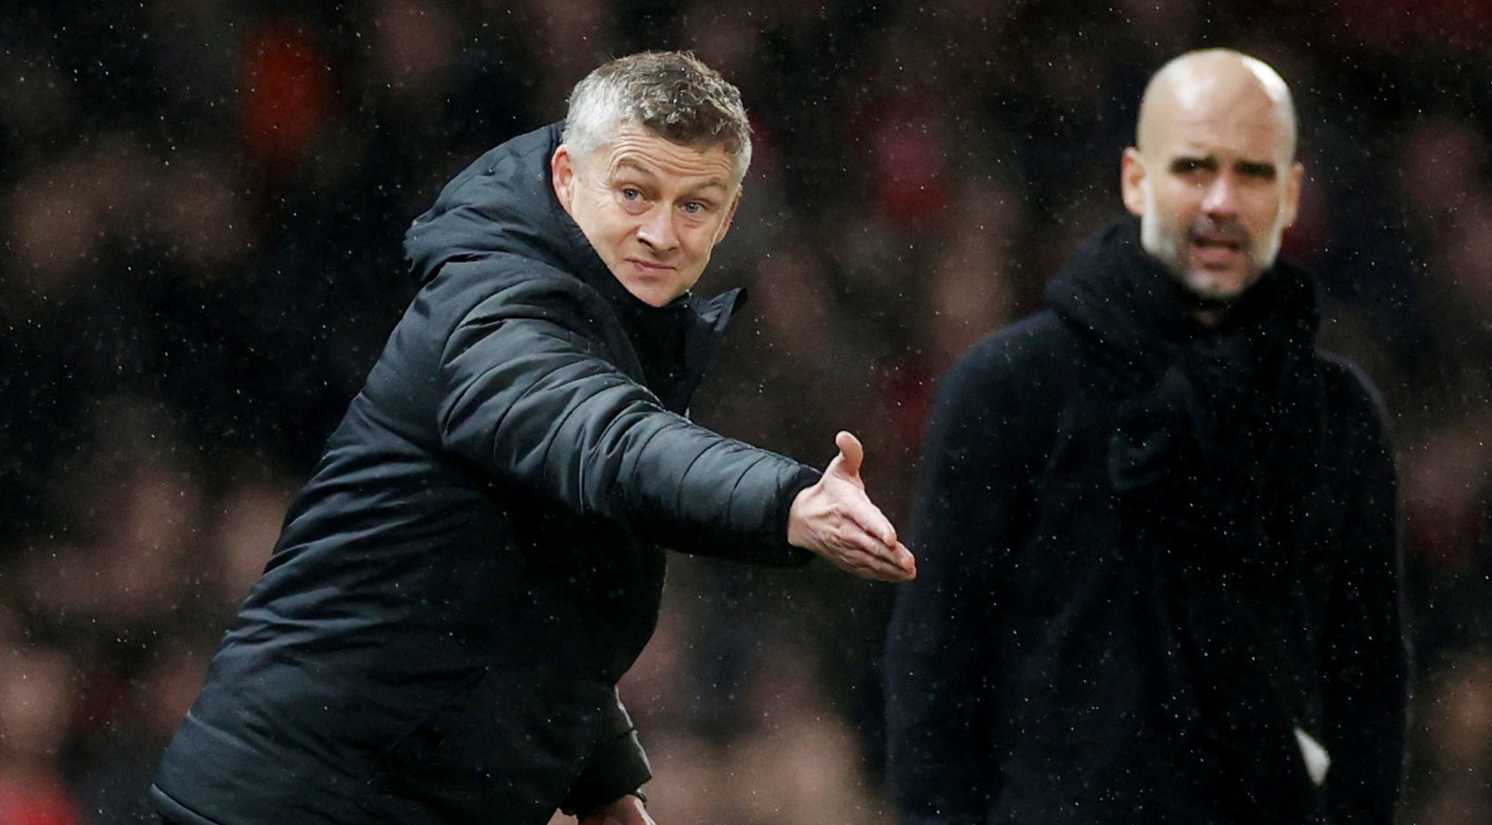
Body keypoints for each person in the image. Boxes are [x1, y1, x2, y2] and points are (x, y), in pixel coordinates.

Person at [149, 51, 915, 825]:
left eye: (694, 205)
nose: (661, 232)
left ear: (729, 212)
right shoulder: (493, 313)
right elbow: (612, 443)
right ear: (564, 177)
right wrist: (788, 501)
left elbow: (542, 590)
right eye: (633, 192)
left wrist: (604, 782)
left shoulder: (614, 319)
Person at [883, 48, 1408, 824]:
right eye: (1194, 167)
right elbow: (935, 673)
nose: (1222, 201)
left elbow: (1367, 693)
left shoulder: (1338, 417)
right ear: (1135, 178)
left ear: (1292, 192)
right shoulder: (1007, 390)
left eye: (1253, 173)